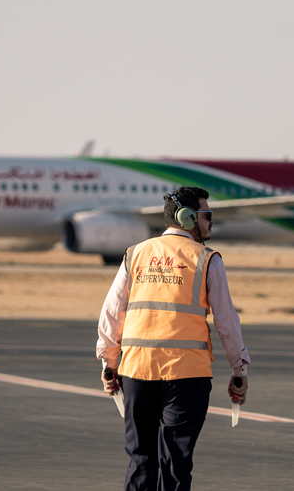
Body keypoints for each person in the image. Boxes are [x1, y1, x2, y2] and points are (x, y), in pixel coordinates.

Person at [96, 186, 250, 491]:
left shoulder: (135, 254)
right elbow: (227, 323)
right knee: (175, 463)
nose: (211, 222)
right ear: (188, 217)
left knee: (141, 458)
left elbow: (112, 314)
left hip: (137, 373)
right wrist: (239, 371)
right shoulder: (207, 259)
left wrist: (109, 365)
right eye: (207, 215)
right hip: (187, 376)